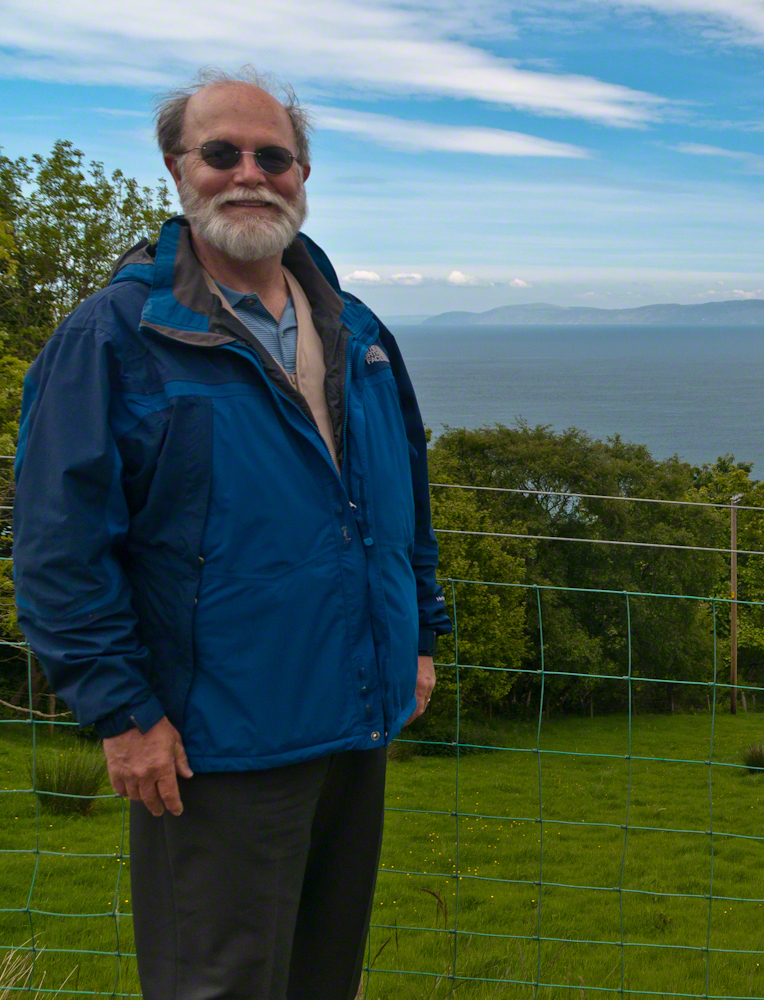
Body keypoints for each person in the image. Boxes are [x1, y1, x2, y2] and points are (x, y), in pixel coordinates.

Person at [12, 66, 451, 999]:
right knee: (220, 986)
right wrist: (122, 712)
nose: (250, 174)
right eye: (222, 153)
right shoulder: (115, 337)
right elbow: (58, 550)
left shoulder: (358, 331)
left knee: (322, 979)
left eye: (273, 157)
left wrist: (420, 637)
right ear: (179, 168)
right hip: (212, 742)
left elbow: (403, 499)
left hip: (354, 723)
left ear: (303, 175)